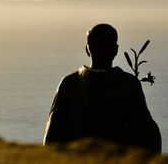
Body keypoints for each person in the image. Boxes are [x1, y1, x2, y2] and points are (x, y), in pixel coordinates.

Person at [43, 24, 161, 152]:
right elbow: (149, 135)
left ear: (87, 50)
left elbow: (52, 137)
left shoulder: (68, 83)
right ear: (116, 50)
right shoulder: (129, 84)